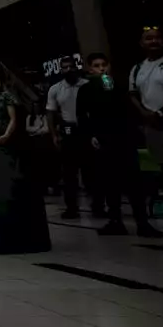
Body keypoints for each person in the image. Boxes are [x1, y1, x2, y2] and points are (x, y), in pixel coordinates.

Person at [78, 53, 161, 238]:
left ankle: (142, 222)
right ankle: (116, 221)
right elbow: (82, 116)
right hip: (104, 140)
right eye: (97, 66)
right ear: (90, 69)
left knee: (134, 182)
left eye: (103, 65)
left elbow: (128, 109)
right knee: (110, 182)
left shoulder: (117, 86)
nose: (101, 69)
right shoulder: (85, 90)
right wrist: (90, 135)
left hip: (125, 138)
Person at [47, 56, 100, 218]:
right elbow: (50, 113)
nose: (68, 70)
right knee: (69, 175)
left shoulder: (87, 85)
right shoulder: (55, 89)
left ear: (76, 67)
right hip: (68, 134)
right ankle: (72, 208)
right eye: (65, 67)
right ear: (61, 69)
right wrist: (54, 135)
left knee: (91, 173)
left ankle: (97, 207)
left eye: (71, 66)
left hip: (86, 132)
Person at [129, 26, 163, 213]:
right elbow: (132, 94)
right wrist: (145, 113)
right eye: (149, 38)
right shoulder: (137, 68)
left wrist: (160, 113)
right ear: (142, 43)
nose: (153, 41)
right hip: (151, 126)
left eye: (157, 38)